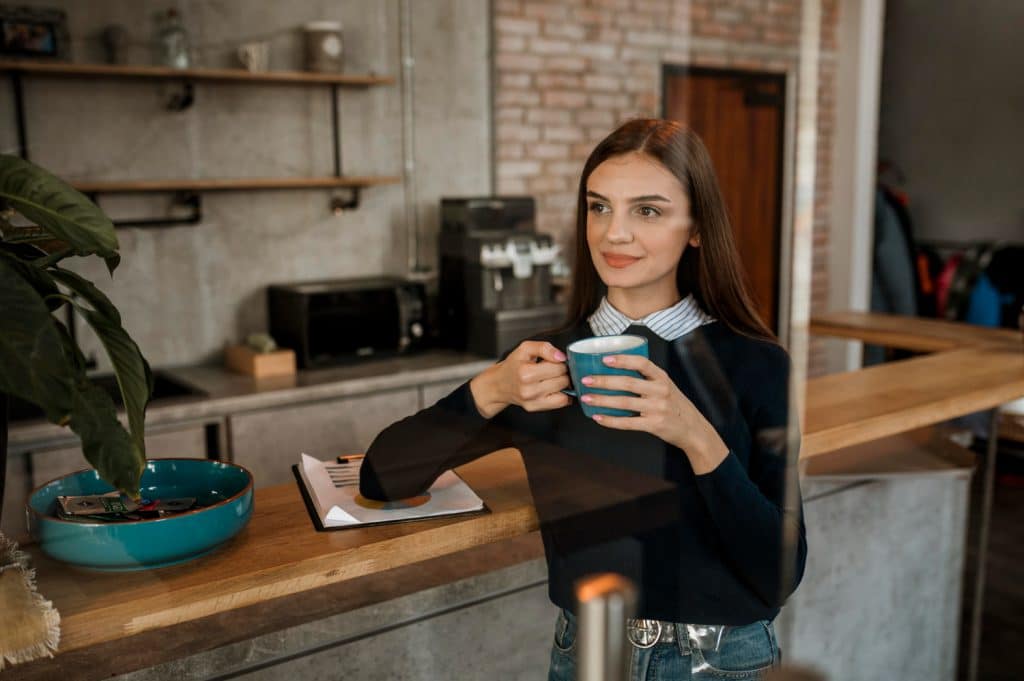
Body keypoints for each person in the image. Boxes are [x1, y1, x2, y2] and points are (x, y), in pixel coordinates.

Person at [360, 118, 807, 680]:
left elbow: (779, 571)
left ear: (696, 228)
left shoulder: (756, 364)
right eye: (599, 207)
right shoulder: (545, 364)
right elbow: (382, 476)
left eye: (647, 211)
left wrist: (695, 435)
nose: (613, 234)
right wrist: (491, 388)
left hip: (720, 662)